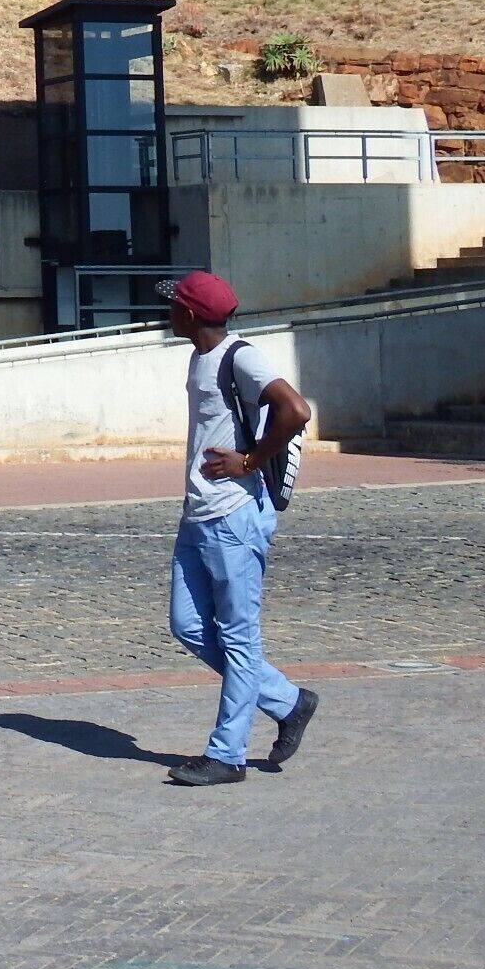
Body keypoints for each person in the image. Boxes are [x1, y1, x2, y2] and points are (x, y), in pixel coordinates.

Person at [158, 271, 317, 786]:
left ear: (190, 315)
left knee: (238, 638)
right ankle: (288, 701)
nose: (168, 313)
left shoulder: (240, 356)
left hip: (234, 517)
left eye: (173, 306)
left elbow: (295, 410)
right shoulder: (198, 356)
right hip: (198, 514)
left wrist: (249, 460)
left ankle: (227, 756)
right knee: (187, 625)